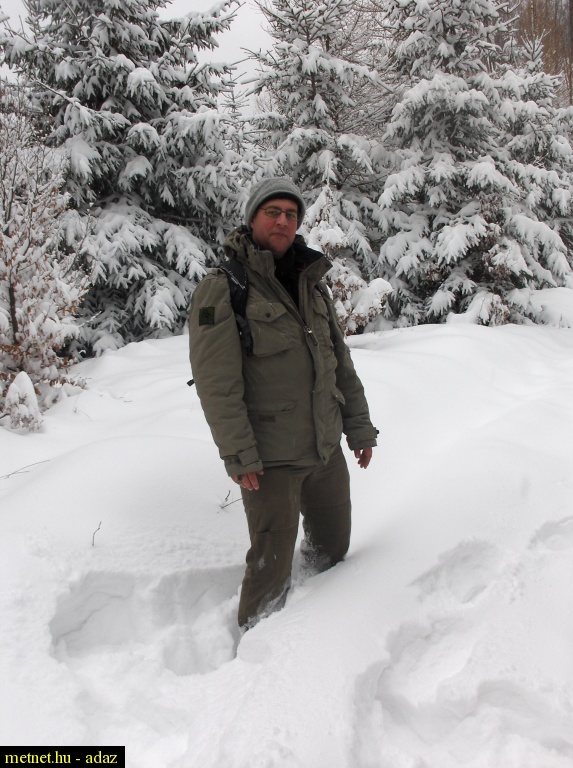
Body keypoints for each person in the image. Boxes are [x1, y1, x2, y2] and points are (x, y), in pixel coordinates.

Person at [188, 177, 378, 630]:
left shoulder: (311, 284)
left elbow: (339, 363)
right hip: (271, 461)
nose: (283, 221)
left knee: (333, 551)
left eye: (291, 215)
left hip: (326, 450)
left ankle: (320, 634)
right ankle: (258, 647)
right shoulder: (223, 287)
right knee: (270, 569)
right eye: (272, 212)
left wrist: (359, 427)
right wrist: (239, 454)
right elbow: (217, 383)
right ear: (252, 219)